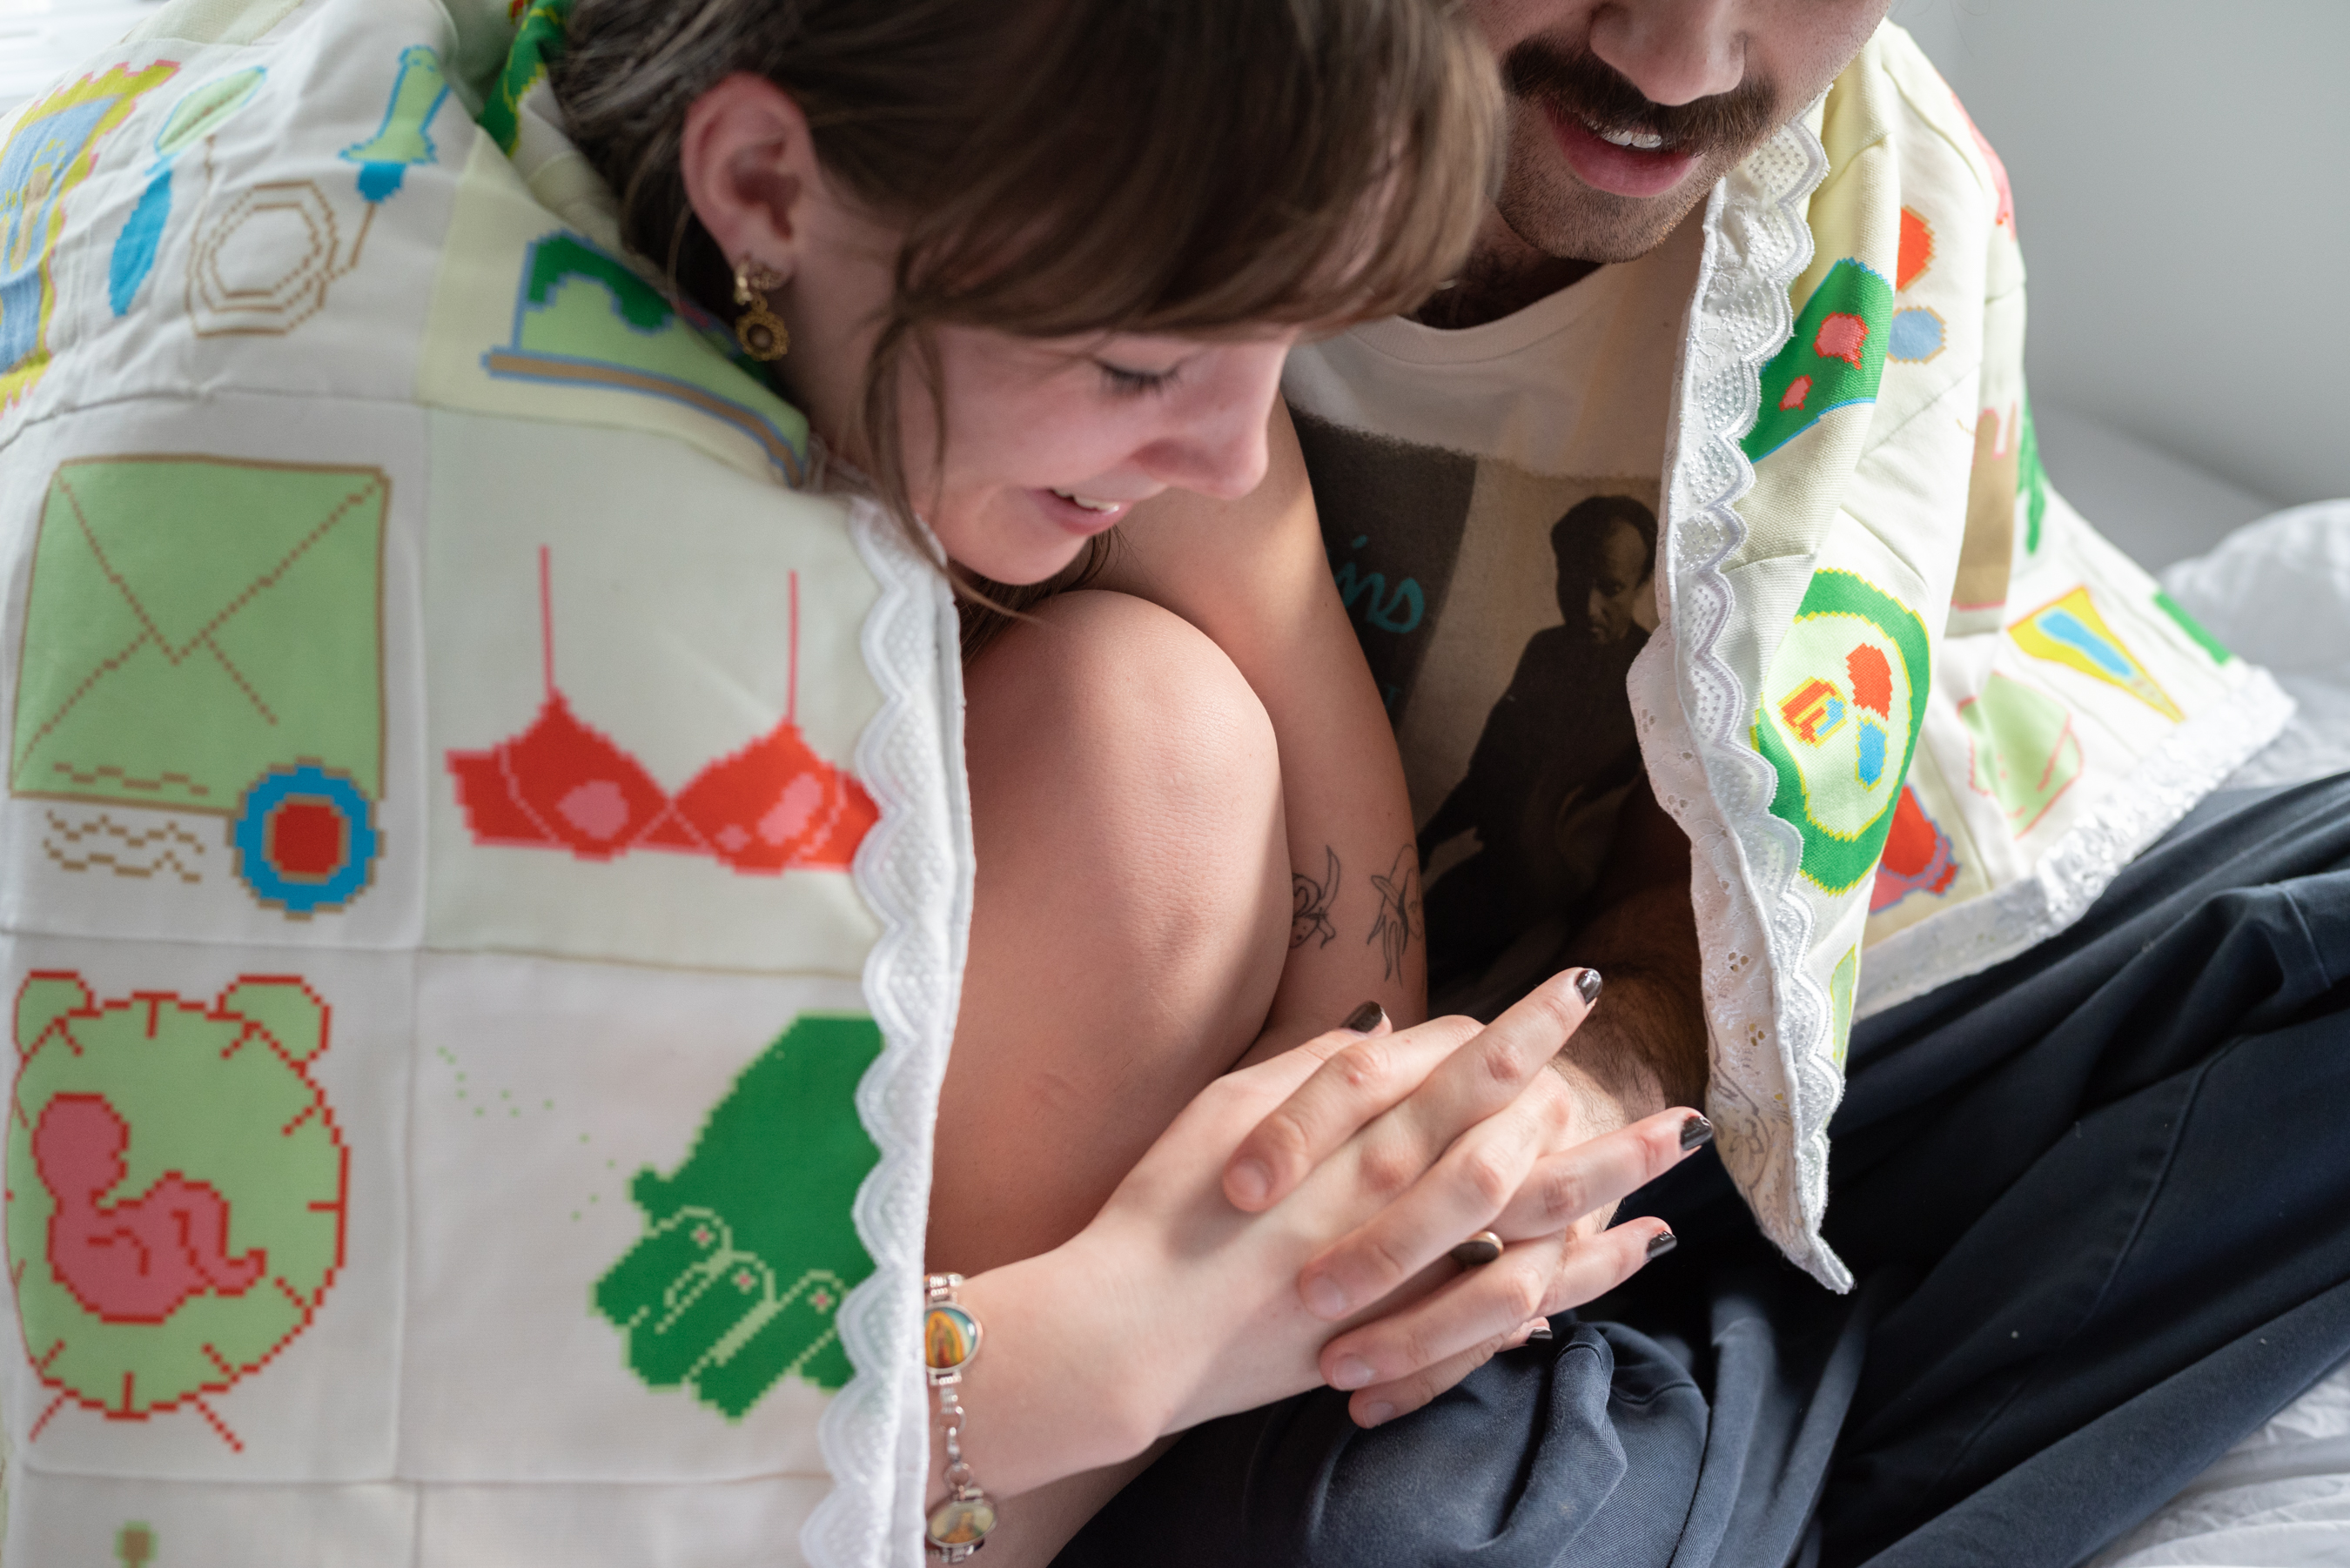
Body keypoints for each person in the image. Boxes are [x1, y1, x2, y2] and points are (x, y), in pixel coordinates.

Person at [1054, 2, 2350, 1565]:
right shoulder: (1090, 133)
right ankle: (1743, 1413)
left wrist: (1588, 1089)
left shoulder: (1878, 190)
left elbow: (1736, 858)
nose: (1672, 64)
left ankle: (1743, 1424)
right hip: (1416, 1040)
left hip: (1906, 925)